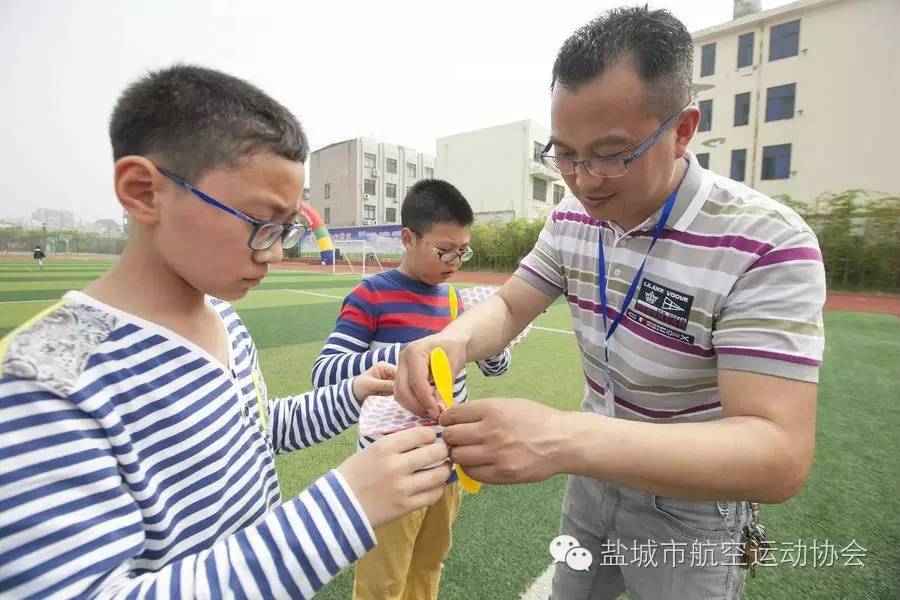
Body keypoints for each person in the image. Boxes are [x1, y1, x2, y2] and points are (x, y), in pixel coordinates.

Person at [394, 7, 825, 599]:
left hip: (691, 505)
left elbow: (778, 454)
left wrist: (562, 438)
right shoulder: (572, 216)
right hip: (593, 480)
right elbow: (513, 305)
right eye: (565, 153)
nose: (584, 179)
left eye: (613, 152)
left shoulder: (765, 240)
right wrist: (453, 341)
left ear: (682, 129)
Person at [0, 64, 450, 599]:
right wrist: (341, 509)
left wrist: (352, 394)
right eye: (260, 222)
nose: (277, 251)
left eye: (285, 228)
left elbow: (251, 434)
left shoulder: (222, 316)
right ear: (143, 191)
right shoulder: (43, 384)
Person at [313, 178, 510, 600]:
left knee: (428, 565)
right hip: (392, 466)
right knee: (383, 582)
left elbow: (496, 368)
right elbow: (325, 373)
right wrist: (411, 353)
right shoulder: (371, 295)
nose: (455, 259)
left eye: (463, 250)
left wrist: (492, 342)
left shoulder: (455, 300)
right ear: (408, 238)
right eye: (445, 250)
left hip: (446, 462)